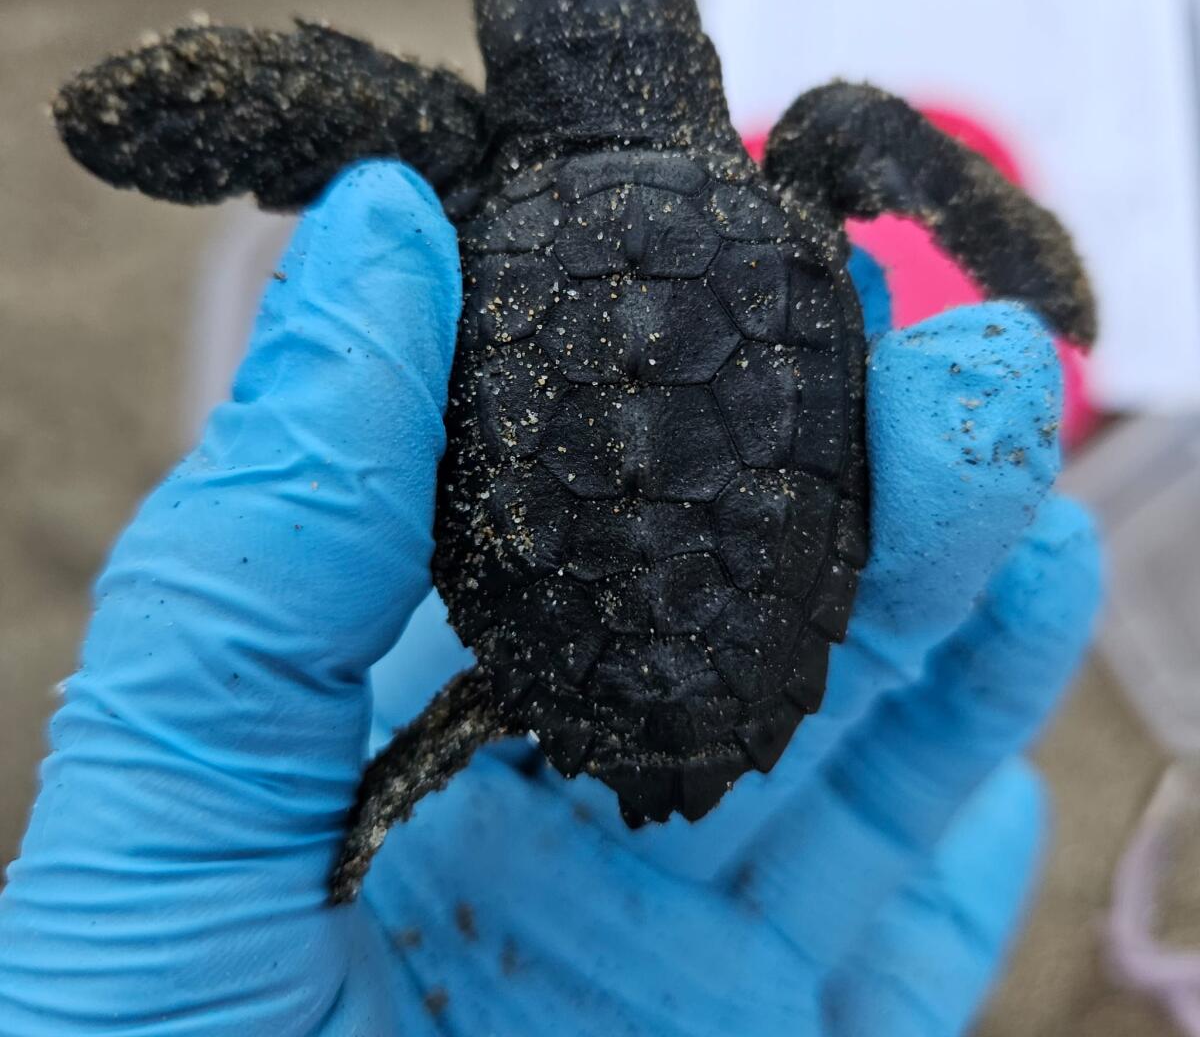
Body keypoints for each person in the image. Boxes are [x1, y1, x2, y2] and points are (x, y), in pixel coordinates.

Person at [0, 161, 1101, 1035]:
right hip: (707, 645)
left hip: (592, 634)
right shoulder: (757, 198)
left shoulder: (524, 200)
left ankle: (383, 818)